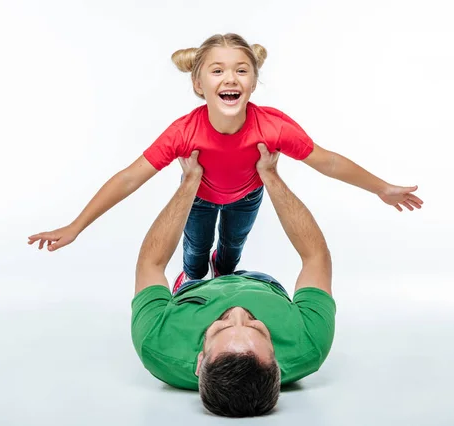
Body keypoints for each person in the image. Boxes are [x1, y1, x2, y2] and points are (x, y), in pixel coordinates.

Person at [28, 33, 423, 292]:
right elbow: (131, 177)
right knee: (196, 254)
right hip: (198, 197)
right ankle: (195, 279)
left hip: (247, 197)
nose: (229, 78)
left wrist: (382, 188)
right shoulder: (183, 132)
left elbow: (329, 162)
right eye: (217, 71)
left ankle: (223, 270)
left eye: (241, 70)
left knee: (230, 252)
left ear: (253, 81)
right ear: (199, 84)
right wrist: (77, 226)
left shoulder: (273, 126)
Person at [132, 143, 335, 417]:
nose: (238, 312)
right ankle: (224, 265)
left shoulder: (155, 346)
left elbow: (151, 263)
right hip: (261, 283)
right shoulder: (310, 345)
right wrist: (270, 175)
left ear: (199, 361)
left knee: (194, 260)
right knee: (229, 254)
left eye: (219, 328)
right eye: (257, 327)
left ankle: (194, 273)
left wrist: (190, 183)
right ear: (278, 360)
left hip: (195, 292)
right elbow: (315, 256)